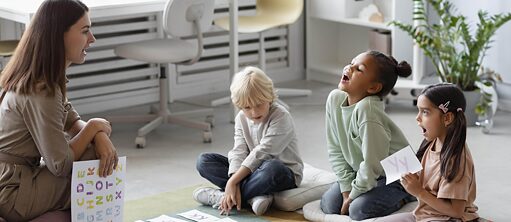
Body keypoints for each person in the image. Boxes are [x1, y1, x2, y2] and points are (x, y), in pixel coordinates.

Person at [0, 0, 118, 221]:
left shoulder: (40, 75)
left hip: (10, 180)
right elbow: (60, 165)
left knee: (96, 152)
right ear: (59, 36)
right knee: (95, 164)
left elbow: (72, 120)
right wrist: (93, 127)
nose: (92, 39)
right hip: (13, 192)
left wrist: (98, 135)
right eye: (85, 31)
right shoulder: (43, 89)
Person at [193, 66, 303, 216]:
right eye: (247, 107)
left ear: (269, 96)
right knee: (204, 161)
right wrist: (233, 178)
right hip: (251, 172)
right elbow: (239, 150)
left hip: (282, 173)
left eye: (259, 104)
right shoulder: (241, 118)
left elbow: (263, 153)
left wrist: (232, 183)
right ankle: (253, 196)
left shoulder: (281, 116)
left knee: (272, 168)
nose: (254, 112)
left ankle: (223, 197)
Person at [320, 50, 415, 220]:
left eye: (359, 69)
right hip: (368, 173)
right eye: (351, 62)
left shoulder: (368, 110)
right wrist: (346, 191)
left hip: (399, 176)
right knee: (329, 204)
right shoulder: (335, 99)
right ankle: (366, 190)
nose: (349, 68)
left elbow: (372, 164)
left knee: (358, 210)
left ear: (373, 88)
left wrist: (353, 196)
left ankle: (406, 197)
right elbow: (335, 149)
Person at [375, 83, 479, 222]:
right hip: (425, 214)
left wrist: (419, 192)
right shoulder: (432, 141)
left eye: (425, 112)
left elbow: (456, 211)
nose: (417, 118)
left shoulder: (456, 159)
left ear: (447, 118)